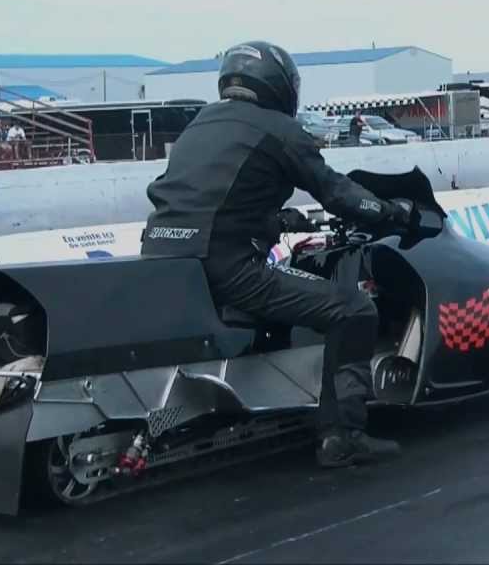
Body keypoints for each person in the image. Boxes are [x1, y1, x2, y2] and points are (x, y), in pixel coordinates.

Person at [140, 41, 410, 468]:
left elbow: (214, 195)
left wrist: (275, 219)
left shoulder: (202, 122)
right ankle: (343, 434)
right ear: (281, 85)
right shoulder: (281, 130)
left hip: (161, 257)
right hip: (226, 265)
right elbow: (337, 192)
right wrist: (391, 212)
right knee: (354, 310)